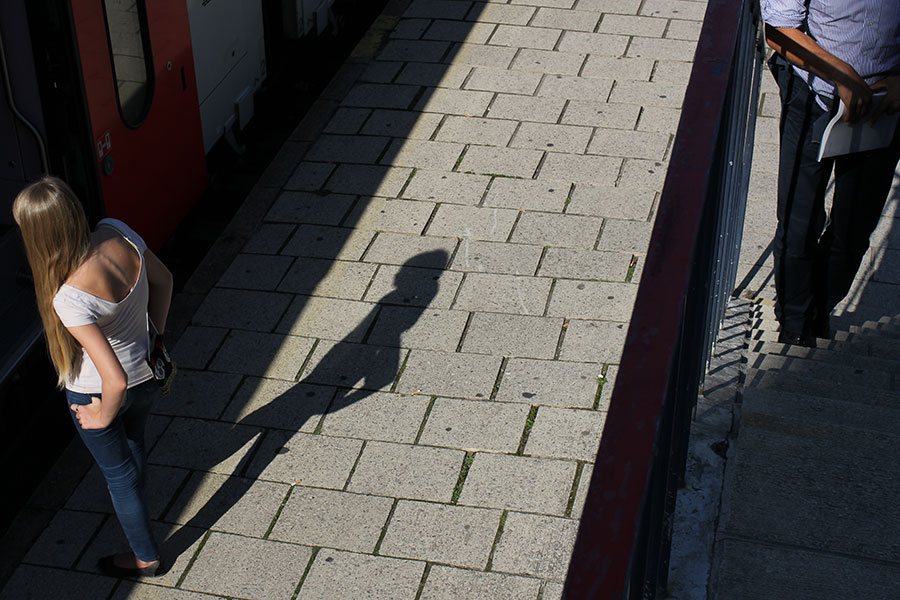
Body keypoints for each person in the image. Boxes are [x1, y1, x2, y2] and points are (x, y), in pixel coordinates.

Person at [13, 176, 173, 577]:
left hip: (98, 392)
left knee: (118, 476)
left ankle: (146, 558)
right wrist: (156, 337)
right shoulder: (116, 230)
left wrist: (101, 414)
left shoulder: (68, 297)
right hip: (147, 376)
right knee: (133, 449)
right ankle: (140, 515)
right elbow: (164, 280)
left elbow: (112, 380)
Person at [760, 1, 900, 346]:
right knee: (799, 222)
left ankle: (818, 313)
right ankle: (795, 324)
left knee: (854, 232)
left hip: (884, 107)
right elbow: (778, 32)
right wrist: (842, 75)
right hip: (814, 95)